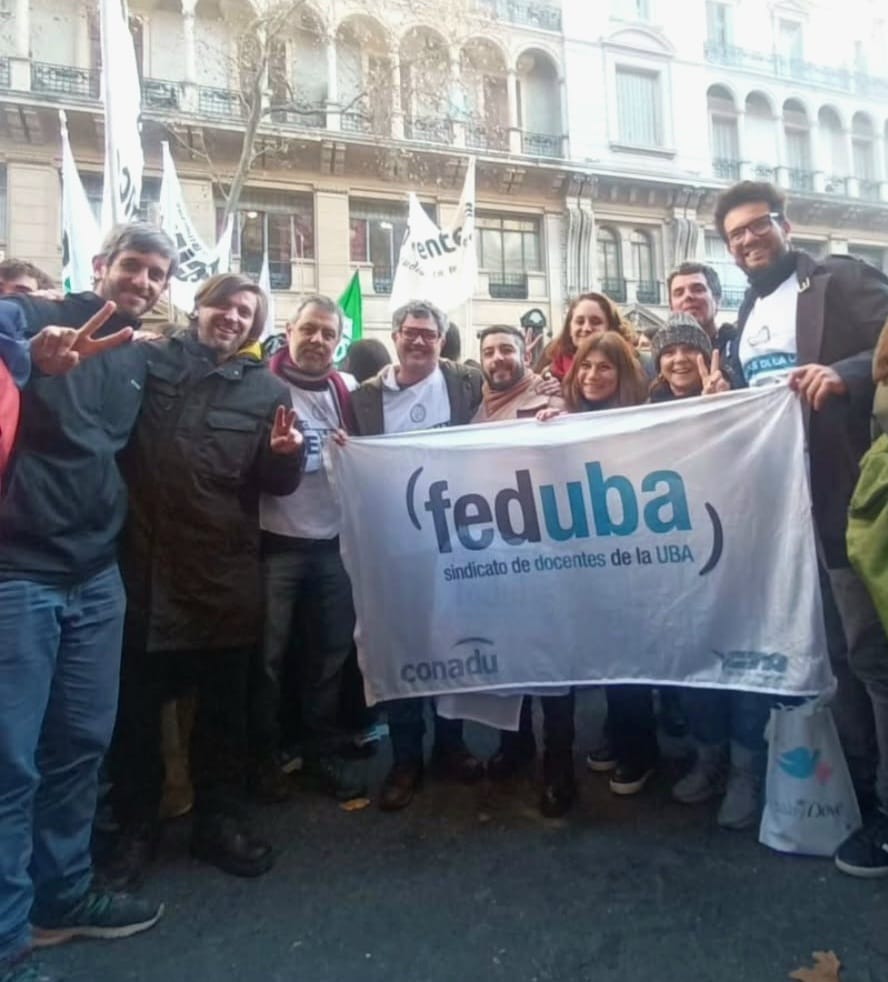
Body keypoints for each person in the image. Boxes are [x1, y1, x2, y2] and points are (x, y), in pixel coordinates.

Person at [0, 223, 178, 982]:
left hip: (95, 576)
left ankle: (61, 897)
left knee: (78, 749)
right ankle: (8, 940)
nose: (141, 281)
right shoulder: (35, 315)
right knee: (11, 765)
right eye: (131, 266)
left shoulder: (139, 355)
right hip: (18, 574)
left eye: (156, 273)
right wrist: (27, 360)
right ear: (100, 266)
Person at [102, 274, 304, 891]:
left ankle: (219, 823)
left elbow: (275, 486)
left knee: (223, 718)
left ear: (256, 326)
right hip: (143, 572)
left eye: (247, 312)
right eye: (225, 305)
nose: (234, 317)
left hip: (221, 579)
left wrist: (286, 456)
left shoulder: (268, 389)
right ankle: (136, 828)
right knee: (134, 719)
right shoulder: (144, 360)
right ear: (199, 306)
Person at [716, 180, 888, 874]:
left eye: (759, 227)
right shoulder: (748, 312)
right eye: (736, 236)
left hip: (849, 503)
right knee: (838, 661)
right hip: (786, 522)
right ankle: (857, 781)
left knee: (874, 660)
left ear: (785, 226)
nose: (750, 241)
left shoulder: (839, 279)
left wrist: (847, 373)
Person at [350, 300, 485, 811]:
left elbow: (507, 402)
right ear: (396, 335)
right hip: (391, 542)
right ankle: (406, 758)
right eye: (411, 332)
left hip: (453, 537)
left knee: (452, 644)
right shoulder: (364, 398)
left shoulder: (463, 382)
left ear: (441, 340)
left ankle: (452, 745)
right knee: (402, 646)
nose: (419, 341)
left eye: (429, 334)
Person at [251, 294, 365, 804]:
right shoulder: (259, 388)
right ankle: (265, 757)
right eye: (309, 330)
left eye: (328, 334)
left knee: (329, 654)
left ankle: (320, 750)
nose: (318, 340)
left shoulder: (349, 389)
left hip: (335, 546)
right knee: (267, 660)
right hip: (276, 545)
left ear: (339, 344)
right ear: (289, 331)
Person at [538, 333, 657, 796]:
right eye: (585, 367)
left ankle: (640, 752)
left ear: (623, 374)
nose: (591, 376)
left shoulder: (641, 422)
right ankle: (617, 738)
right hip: (581, 564)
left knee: (629, 659)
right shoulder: (571, 419)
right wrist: (551, 429)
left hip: (630, 560)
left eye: (604, 368)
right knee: (602, 655)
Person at [469, 325, 574, 815]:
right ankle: (516, 746)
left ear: (524, 352)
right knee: (507, 655)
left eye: (507, 349)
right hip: (494, 551)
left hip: (546, 549)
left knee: (552, 662)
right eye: (489, 351)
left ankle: (558, 765)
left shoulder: (549, 396)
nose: (498, 358)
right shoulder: (477, 405)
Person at [537, 292, 636, 381]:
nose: (586, 328)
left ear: (611, 327)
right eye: (580, 322)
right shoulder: (549, 360)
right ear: (569, 327)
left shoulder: (631, 367)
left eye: (596, 322)